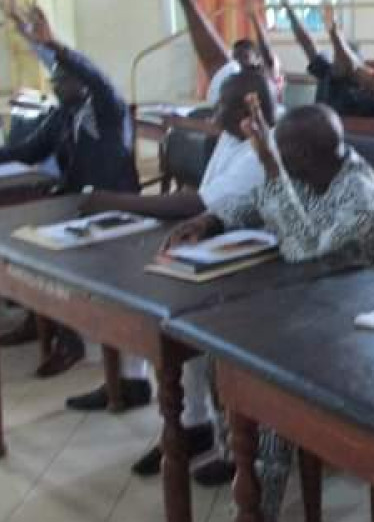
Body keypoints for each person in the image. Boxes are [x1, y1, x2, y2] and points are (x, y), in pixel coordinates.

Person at [166, 98, 374, 522]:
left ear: (311, 158)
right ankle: (237, 456)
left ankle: (262, 521)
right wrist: (211, 221)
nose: (280, 166)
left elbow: (304, 251)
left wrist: (273, 167)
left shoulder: (360, 194)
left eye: (287, 160)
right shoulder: (309, 170)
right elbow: (255, 202)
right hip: (310, 304)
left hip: (365, 321)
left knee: (266, 380)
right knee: (218, 345)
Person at [82, 67, 278, 478]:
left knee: (196, 321)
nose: (212, 111)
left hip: (262, 267)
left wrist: (116, 202)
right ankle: (193, 425)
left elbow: (198, 204)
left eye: (220, 104)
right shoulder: (231, 137)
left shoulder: (262, 150)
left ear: (246, 110)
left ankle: (235, 445)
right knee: (172, 314)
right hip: (222, 249)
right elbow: (206, 206)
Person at [0, 0, 149, 400]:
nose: (54, 83)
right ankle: (42, 317)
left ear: (79, 83)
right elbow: (29, 152)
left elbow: (95, 75)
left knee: (57, 257)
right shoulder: (62, 114)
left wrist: (53, 43)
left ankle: (71, 340)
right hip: (77, 202)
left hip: (117, 206)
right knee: (22, 241)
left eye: (61, 79)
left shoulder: (107, 107)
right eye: (54, 80)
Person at [173, 0, 281, 105]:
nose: (237, 62)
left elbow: (268, 55)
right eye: (235, 57)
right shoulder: (230, 80)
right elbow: (215, 62)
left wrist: (254, 17)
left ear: (257, 60)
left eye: (243, 57)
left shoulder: (266, 80)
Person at [281, 0, 374, 118]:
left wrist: (334, 32)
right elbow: (306, 42)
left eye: (341, 57)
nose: (337, 59)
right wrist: (288, 8)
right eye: (336, 57)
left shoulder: (367, 96)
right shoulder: (327, 71)